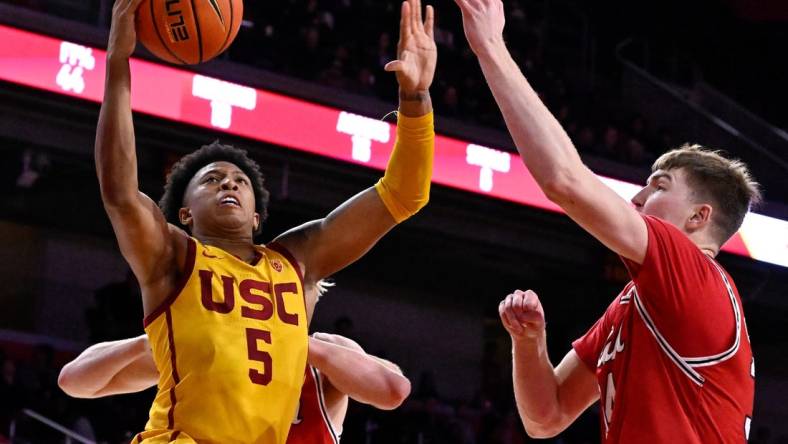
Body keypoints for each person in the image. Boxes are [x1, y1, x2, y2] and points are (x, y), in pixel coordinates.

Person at [97, 0, 435, 442]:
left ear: (257, 216)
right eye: (212, 180)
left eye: (239, 181)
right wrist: (118, 63)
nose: (229, 185)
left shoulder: (296, 261)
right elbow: (120, 193)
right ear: (184, 213)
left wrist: (416, 100)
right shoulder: (172, 258)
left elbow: (404, 193)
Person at [452, 0, 759, 442]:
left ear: (699, 216)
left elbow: (565, 181)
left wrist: (491, 48)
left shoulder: (697, 280)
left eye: (659, 185)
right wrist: (529, 342)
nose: (638, 195)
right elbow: (547, 417)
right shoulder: (638, 302)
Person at [58, 333, 410, 443]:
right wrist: (147, 338)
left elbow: (393, 390)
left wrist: (302, 343)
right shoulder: (212, 347)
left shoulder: (328, 355)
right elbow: (74, 382)